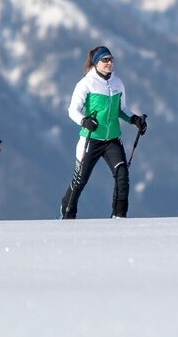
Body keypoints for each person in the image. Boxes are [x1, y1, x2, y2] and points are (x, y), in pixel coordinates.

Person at [60, 46, 148, 219]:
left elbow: (121, 109)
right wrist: (84, 121)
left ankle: (119, 216)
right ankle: (67, 213)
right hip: (91, 139)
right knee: (80, 180)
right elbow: (73, 110)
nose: (109, 63)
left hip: (112, 139)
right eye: (105, 60)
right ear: (96, 63)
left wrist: (134, 119)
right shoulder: (86, 83)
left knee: (122, 175)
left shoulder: (117, 83)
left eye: (111, 59)